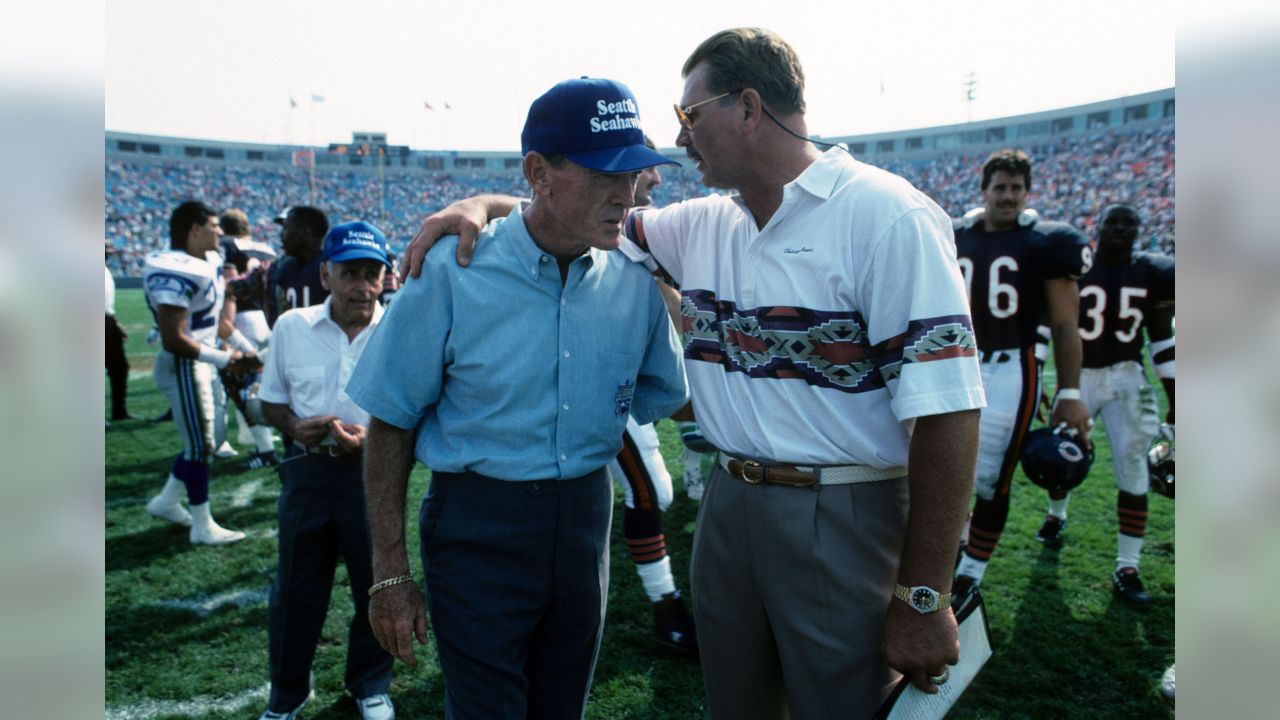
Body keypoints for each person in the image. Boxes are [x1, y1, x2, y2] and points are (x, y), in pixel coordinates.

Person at [403, 28, 985, 718]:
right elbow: (572, 213)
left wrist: (925, 595)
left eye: (688, 115)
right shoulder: (705, 223)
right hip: (730, 503)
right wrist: (481, 205)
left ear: (747, 107)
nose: (678, 140)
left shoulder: (887, 216)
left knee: (845, 705)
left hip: (845, 505)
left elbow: (949, 411)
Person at [347, 77, 688, 719]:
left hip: (586, 520)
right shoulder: (453, 268)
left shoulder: (635, 283)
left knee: (562, 709)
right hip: (478, 523)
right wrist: (390, 572)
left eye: (634, 173)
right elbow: (389, 420)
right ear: (538, 171)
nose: (626, 194)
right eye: (604, 174)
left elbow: (678, 403)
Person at [256, 221, 397, 720]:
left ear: (386, 276)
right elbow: (270, 402)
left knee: (375, 585)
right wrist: (296, 425)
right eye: (350, 272)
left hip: (374, 478)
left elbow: (417, 412)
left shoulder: (398, 329)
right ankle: (288, 694)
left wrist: (371, 439)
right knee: (296, 591)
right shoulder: (292, 326)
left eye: (371, 273)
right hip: (307, 472)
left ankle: (370, 684)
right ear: (326, 274)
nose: (362, 284)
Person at [950, 149, 1094, 599]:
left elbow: (1068, 325)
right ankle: (950, 547)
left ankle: (972, 570)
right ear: (984, 190)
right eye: (1000, 187)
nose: (1008, 196)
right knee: (938, 468)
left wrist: (1069, 390)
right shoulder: (954, 236)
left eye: (1016, 188)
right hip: (952, 362)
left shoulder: (1046, 243)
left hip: (1013, 368)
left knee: (992, 476)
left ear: (1028, 193)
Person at [1035, 203, 1174, 604]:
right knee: (1058, 456)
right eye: (1114, 221)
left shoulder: (1153, 273)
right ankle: (1056, 516)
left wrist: (1177, 399)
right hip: (1076, 376)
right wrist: (1039, 375)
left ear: (1138, 229)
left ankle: (1127, 565)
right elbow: (1047, 325)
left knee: (1133, 470)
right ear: (1099, 226)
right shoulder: (1076, 266)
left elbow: (1163, 343)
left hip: (1126, 376)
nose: (1120, 229)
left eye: (1129, 222)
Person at [609, 135, 698, 654]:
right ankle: (666, 607)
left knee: (645, 492)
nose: (658, 180)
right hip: (590, 385)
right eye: (646, 169)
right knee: (647, 492)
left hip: (629, 381)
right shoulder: (584, 223)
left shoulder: (639, 226)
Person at [143, 201, 260, 545]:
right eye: (213, 225)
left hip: (203, 359)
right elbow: (174, 338)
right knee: (200, 444)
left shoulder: (208, 261)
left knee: (211, 438)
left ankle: (165, 501)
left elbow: (213, 323)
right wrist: (225, 360)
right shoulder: (173, 267)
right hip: (184, 363)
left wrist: (238, 347)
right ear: (195, 229)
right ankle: (201, 525)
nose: (220, 231)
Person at [219, 207, 281, 469]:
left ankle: (265, 449)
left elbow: (230, 286)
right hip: (264, 319)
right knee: (261, 383)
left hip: (241, 320)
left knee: (243, 386)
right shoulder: (262, 246)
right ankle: (262, 438)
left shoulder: (227, 246)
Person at [266, 205, 330, 327]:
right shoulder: (285, 270)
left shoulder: (331, 269)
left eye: (286, 229)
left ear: (304, 232)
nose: (281, 235)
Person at [105, 243, 135, 422]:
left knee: (119, 367)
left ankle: (119, 411)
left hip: (107, 321)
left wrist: (115, 325)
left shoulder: (105, 270)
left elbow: (106, 304)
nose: (108, 254)